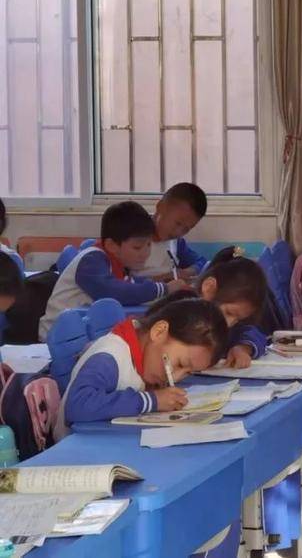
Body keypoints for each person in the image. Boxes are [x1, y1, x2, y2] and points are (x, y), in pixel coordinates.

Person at [53, 296, 228, 438]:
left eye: (188, 372)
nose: (175, 378)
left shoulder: (144, 356)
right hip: (80, 461)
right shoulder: (110, 357)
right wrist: (151, 400)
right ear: (159, 332)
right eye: (180, 364)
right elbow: (76, 406)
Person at [38, 202, 190, 340]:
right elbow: (114, 292)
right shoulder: (92, 260)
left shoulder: (119, 265)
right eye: (137, 247)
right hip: (55, 340)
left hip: (83, 334)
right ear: (112, 246)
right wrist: (164, 289)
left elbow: (132, 285)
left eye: (149, 245)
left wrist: (166, 289)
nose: (145, 253)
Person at [133, 182, 209, 281]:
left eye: (187, 229)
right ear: (160, 207)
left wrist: (186, 272)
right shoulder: (129, 237)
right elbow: (120, 282)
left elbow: (201, 262)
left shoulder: (176, 243)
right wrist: (165, 278)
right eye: (177, 223)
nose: (178, 232)